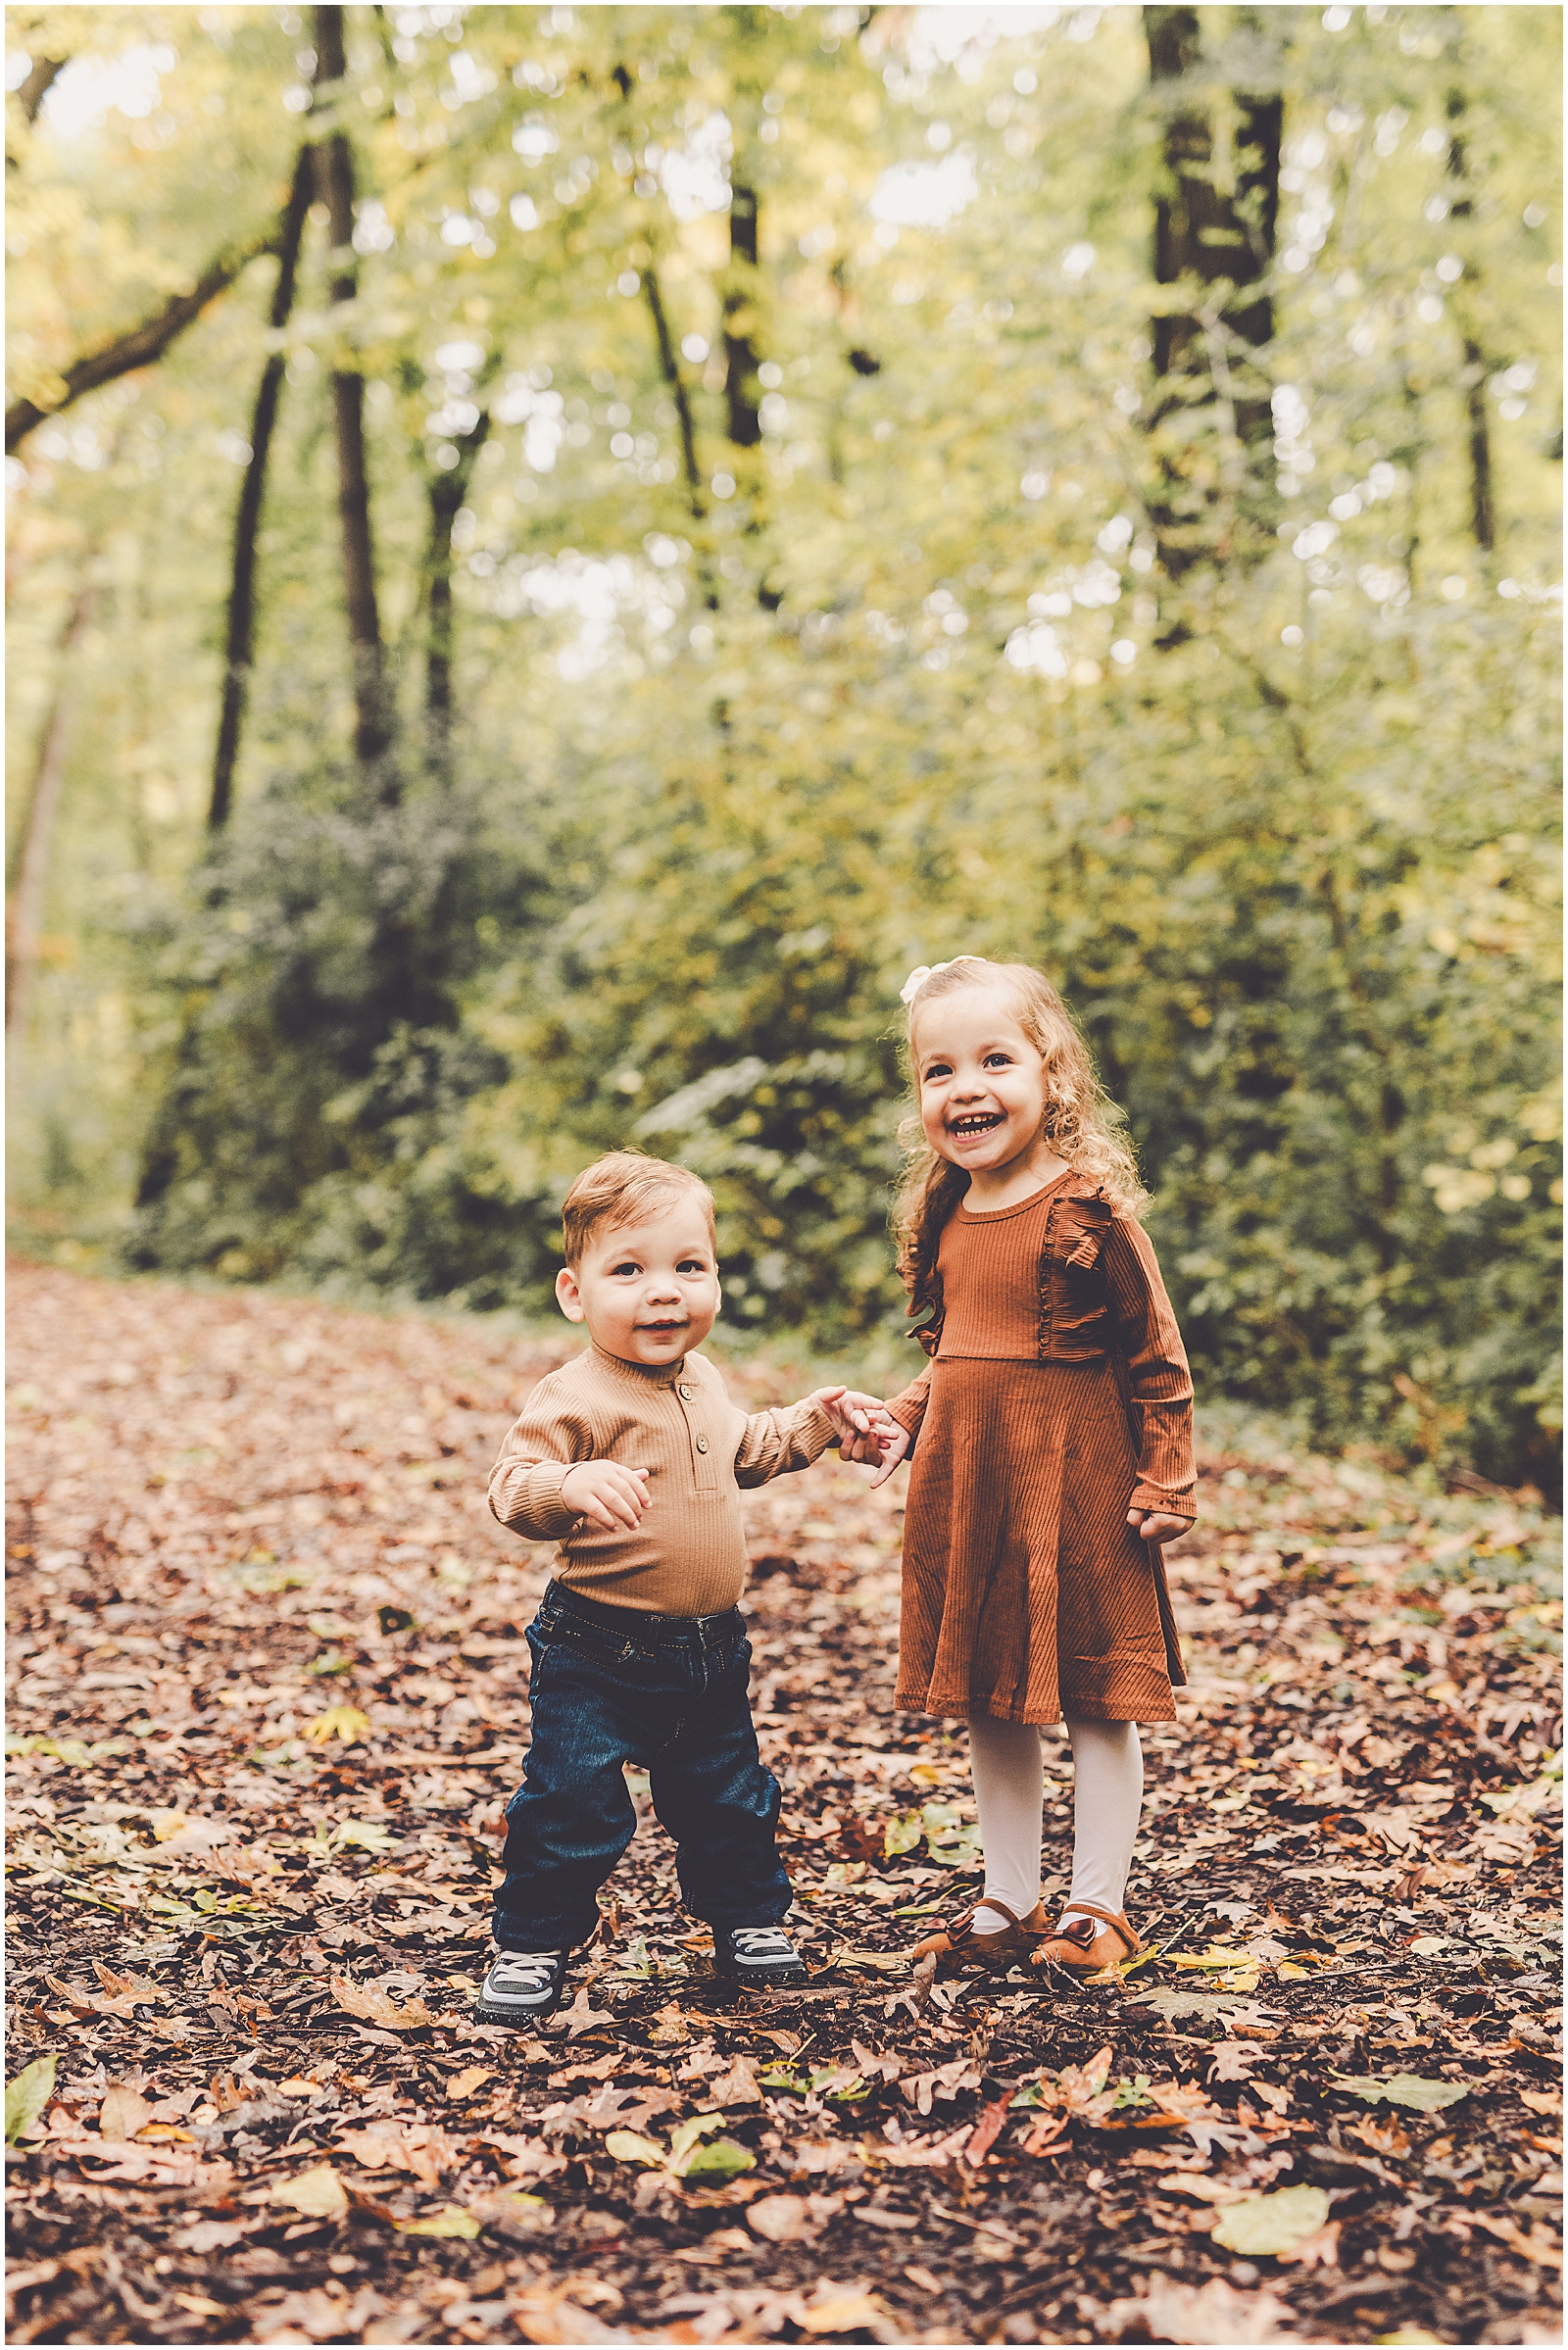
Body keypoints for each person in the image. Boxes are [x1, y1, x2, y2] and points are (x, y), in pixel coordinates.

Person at [478, 1150, 897, 2025]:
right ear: (574, 1294)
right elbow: (511, 1486)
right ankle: (531, 1943)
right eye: (628, 1271)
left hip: (710, 1651)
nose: (663, 1291)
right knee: (572, 1802)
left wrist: (817, 1422)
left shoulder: (702, 1378)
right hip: (596, 1648)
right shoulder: (575, 1395)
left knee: (729, 1797)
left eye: (687, 1267)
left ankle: (747, 1924)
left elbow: (747, 1450)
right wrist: (569, 1486)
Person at [860, 956, 1197, 1977]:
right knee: (987, 1691)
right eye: (937, 1070)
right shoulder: (946, 1213)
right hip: (977, 1487)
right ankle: (1007, 1896)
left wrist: (1168, 1476)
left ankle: (1098, 1907)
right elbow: (958, 1345)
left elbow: (1158, 1357)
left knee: (1096, 1693)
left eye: (993, 1060)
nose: (964, 1088)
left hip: (1083, 1484)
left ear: (1052, 1075)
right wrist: (905, 1418)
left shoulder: (1087, 1215)